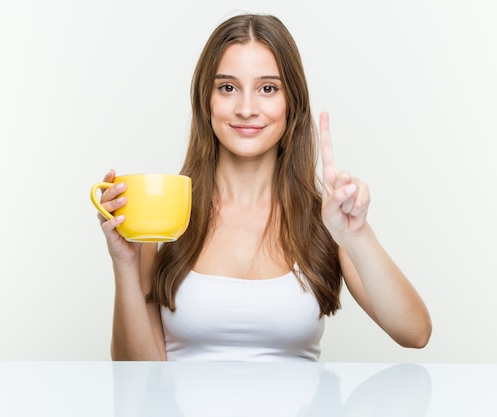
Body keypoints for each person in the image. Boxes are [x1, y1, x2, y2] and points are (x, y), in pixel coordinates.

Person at [96, 13, 432, 361]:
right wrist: (125, 265)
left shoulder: (325, 221)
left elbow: (415, 333)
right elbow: (138, 378)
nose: (245, 108)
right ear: (205, 102)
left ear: (292, 103)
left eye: (267, 88)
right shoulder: (163, 218)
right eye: (227, 87)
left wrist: (357, 235)